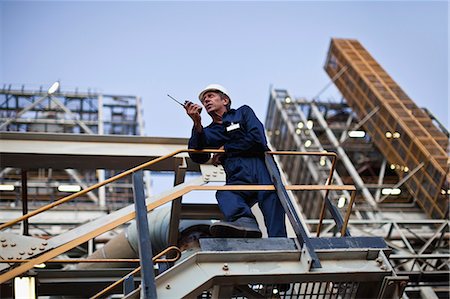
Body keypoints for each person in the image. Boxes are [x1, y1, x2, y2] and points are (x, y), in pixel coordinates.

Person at [184, 83, 287, 238]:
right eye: (204, 100)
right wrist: (197, 123)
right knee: (226, 194)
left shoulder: (242, 113)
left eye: (210, 96)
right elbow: (198, 156)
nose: (206, 101)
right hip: (236, 174)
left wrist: (226, 148)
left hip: (260, 166)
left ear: (224, 100)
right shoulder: (209, 131)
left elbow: (257, 139)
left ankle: (280, 243)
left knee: (271, 201)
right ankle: (246, 222)